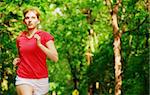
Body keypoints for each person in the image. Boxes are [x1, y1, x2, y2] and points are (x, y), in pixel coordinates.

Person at [13, 8, 58, 95]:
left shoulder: (45, 36)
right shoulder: (20, 38)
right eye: (27, 18)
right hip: (23, 78)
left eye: (33, 18)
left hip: (41, 79)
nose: (30, 20)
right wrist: (18, 60)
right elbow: (23, 56)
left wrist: (40, 45)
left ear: (38, 21)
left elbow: (55, 58)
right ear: (24, 21)